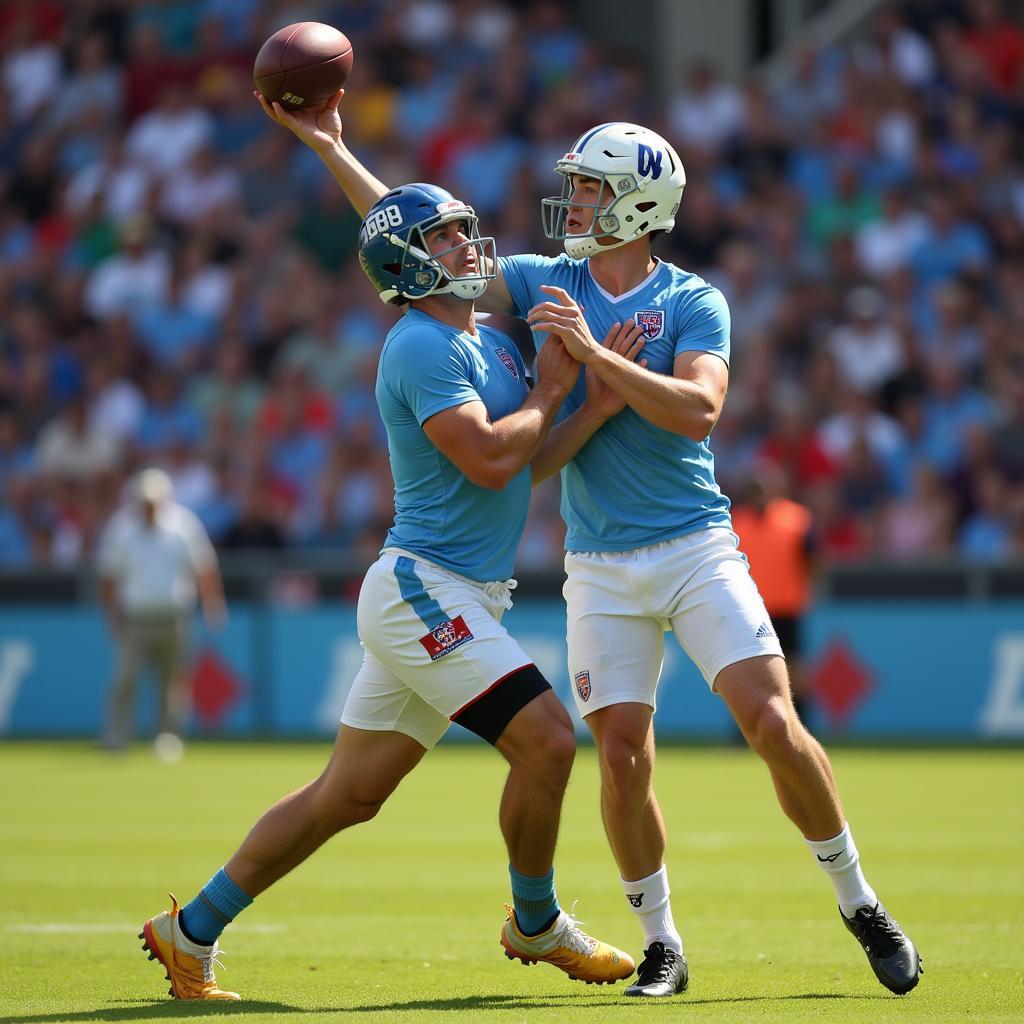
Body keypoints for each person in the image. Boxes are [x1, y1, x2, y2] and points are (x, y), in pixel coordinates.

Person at [263, 89, 922, 999]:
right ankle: (662, 941)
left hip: (694, 543)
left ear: (637, 204)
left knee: (773, 722)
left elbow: (698, 411)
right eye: (573, 187)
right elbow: (413, 243)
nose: (569, 202)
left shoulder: (694, 299)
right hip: (598, 562)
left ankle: (859, 900)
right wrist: (332, 147)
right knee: (619, 756)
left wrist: (594, 361)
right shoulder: (543, 277)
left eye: (587, 190)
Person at [140, 179, 645, 1000]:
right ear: (405, 269)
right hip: (424, 587)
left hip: (459, 592)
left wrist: (592, 410)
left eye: (459, 230)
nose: (463, 246)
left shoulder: (492, 341)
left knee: (348, 795)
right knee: (549, 741)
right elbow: (487, 456)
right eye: (441, 238)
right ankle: (535, 921)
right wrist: (555, 394)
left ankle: (188, 929)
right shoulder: (419, 344)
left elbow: (520, 469)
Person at [98, 467, 226, 755]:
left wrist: (213, 604)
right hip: (135, 619)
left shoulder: (183, 524)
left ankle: (168, 738)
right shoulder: (121, 529)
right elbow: (109, 578)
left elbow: (204, 568)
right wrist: (112, 615)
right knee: (125, 678)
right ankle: (117, 736)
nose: (149, 507)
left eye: (153, 501)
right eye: (144, 501)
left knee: (173, 682)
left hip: (175, 617)